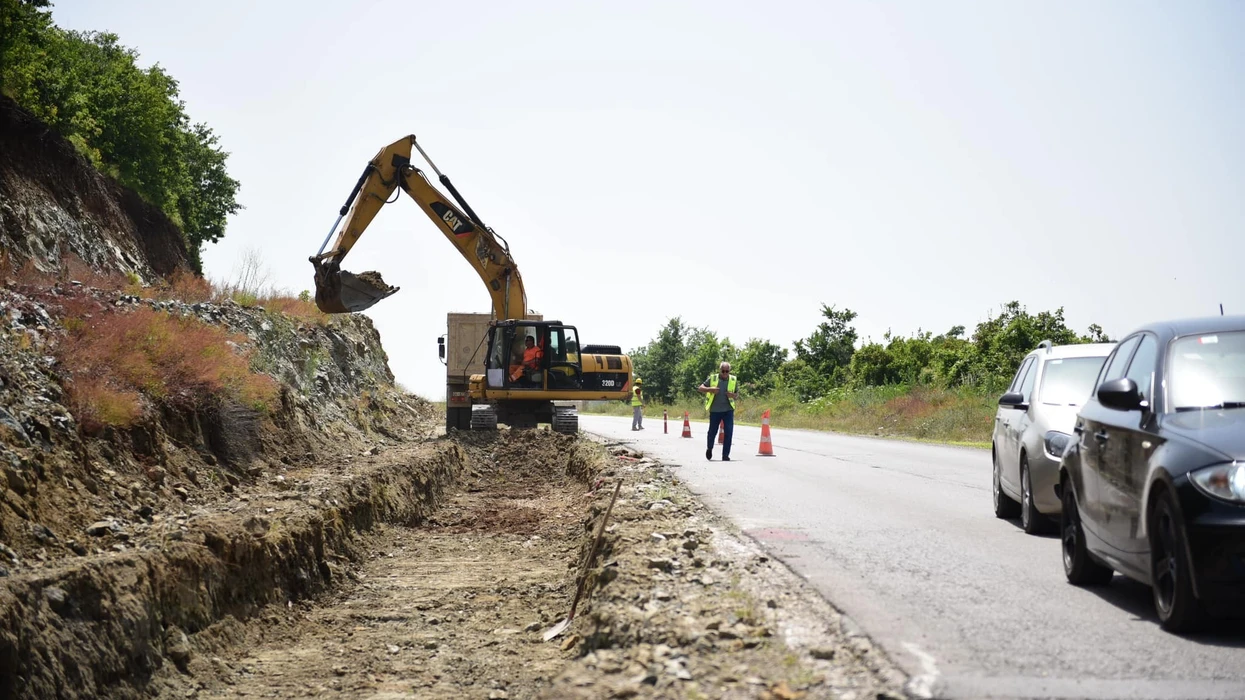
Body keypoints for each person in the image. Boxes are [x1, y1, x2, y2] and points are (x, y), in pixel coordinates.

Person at [698, 361, 738, 461]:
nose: (725, 373)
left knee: (729, 432)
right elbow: (700, 388)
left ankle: (725, 455)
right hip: (715, 410)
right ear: (720, 370)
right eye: (723, 371)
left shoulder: (733, 379)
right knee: (712, 431)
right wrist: (710, 389)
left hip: (728, 410)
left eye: (727, 371)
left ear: (729, 371)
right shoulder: (713, 378)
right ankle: (709, 448)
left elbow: (737, 395)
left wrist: (732, 395)